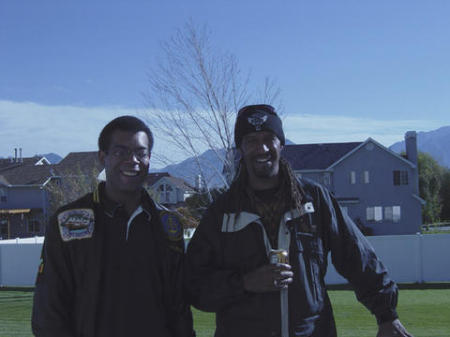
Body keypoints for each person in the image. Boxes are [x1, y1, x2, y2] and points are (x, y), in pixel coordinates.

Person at [185, 104, 412, 337]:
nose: (261, 148)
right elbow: (194, 286)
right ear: (240, 149)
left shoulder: (313, 200)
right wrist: (244, 283)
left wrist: (387, 316)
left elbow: (357, 256)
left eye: (268, 138)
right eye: (251, 140)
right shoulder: (222, 213)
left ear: (281, 144)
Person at [32, 116, 195, 337]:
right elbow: (48, 312)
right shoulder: (68, 221)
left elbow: (179, 308)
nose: (133, 160)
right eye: (121, 152)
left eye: (141, 153)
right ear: (103, 157)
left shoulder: (168, 224)